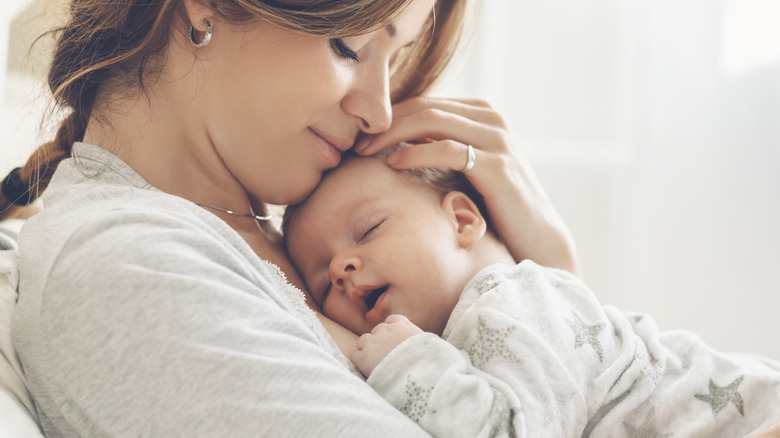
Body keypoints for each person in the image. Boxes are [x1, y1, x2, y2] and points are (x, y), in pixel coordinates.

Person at [0, 0, 585, 436]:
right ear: (202, 9)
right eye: (349, 47)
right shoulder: (126, 270)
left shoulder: (297, 235)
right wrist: (553, 277)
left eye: (396, 57)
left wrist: (544, 278)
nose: (379, 111)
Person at [283, 146, 780, 437]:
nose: (342, 269)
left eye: (368, 230)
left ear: (462, 219)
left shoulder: (508, 300)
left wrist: (408, 361)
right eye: (324, 283)